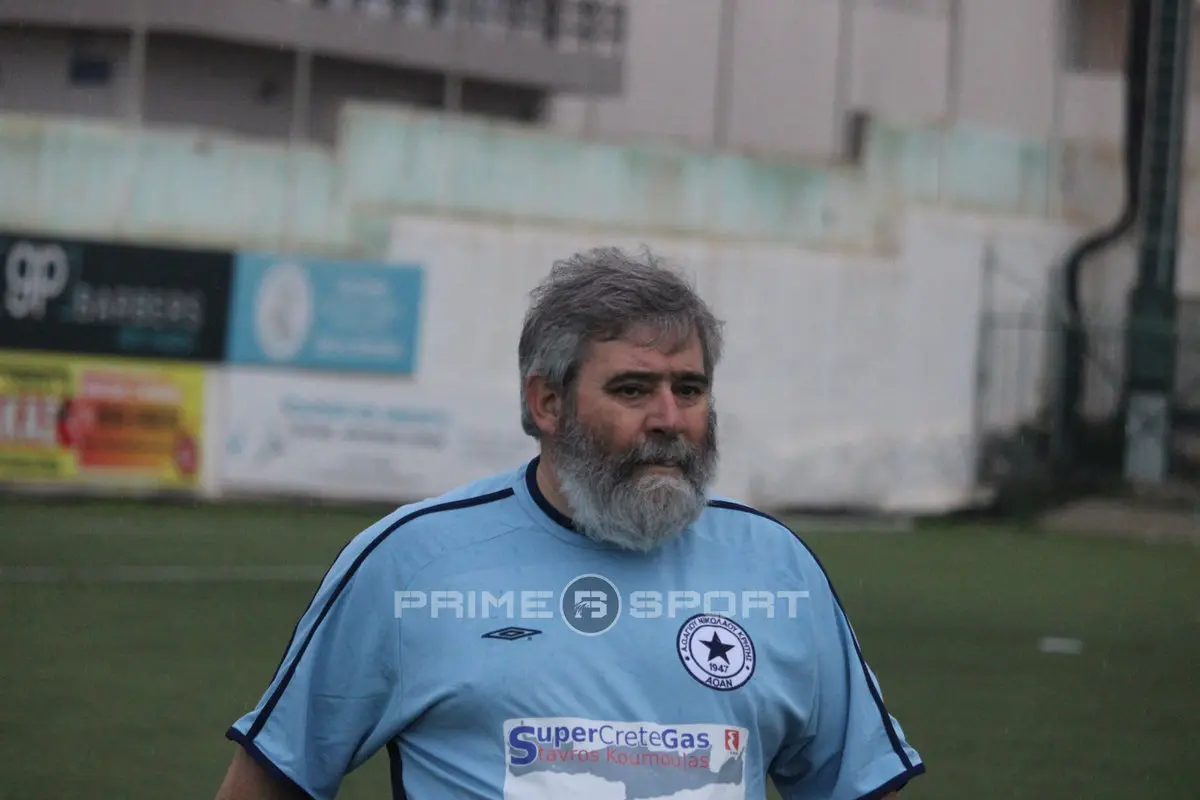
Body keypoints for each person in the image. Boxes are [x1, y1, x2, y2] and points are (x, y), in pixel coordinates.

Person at [215, 247, 925, 800]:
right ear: (547, 403)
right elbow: (274, 780)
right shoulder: (412, 564)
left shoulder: (776, 568)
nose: (669, 419)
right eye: (633, 389)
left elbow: (858, 785)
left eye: (689, 389)